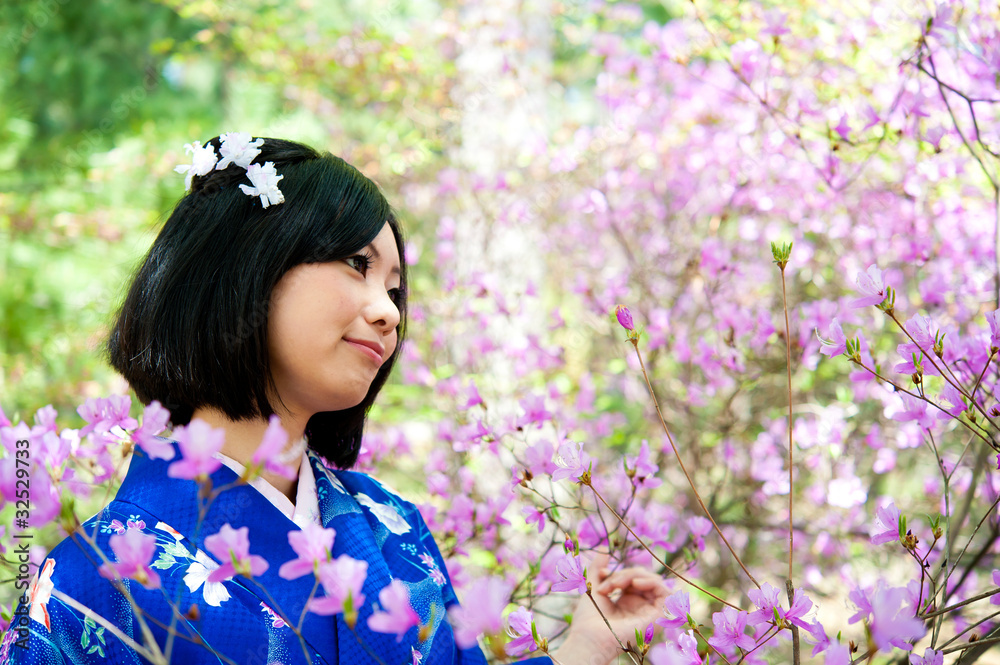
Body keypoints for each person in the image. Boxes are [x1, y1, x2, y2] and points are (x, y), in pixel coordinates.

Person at [4, 135, 667, 664]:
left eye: (396, 290)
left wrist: (584, 646)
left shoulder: (392, 526)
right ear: (245, 264)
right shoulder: (90, 584)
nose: (387, 313)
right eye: (357, 264)